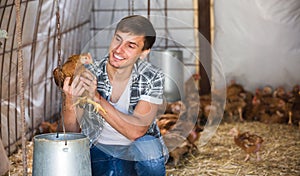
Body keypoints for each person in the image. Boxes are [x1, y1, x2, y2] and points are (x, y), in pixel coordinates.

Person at [62, 15, 168, 176]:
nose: (118, 49)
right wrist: (69, 101)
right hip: (97, 152)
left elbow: (137, 131)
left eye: (130, 45)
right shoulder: (89, 72)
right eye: (117, 39)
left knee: (150, 155)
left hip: (135, 153)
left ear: (144, 52)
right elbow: (70, 133)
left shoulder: (152, 77)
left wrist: (96, 98)